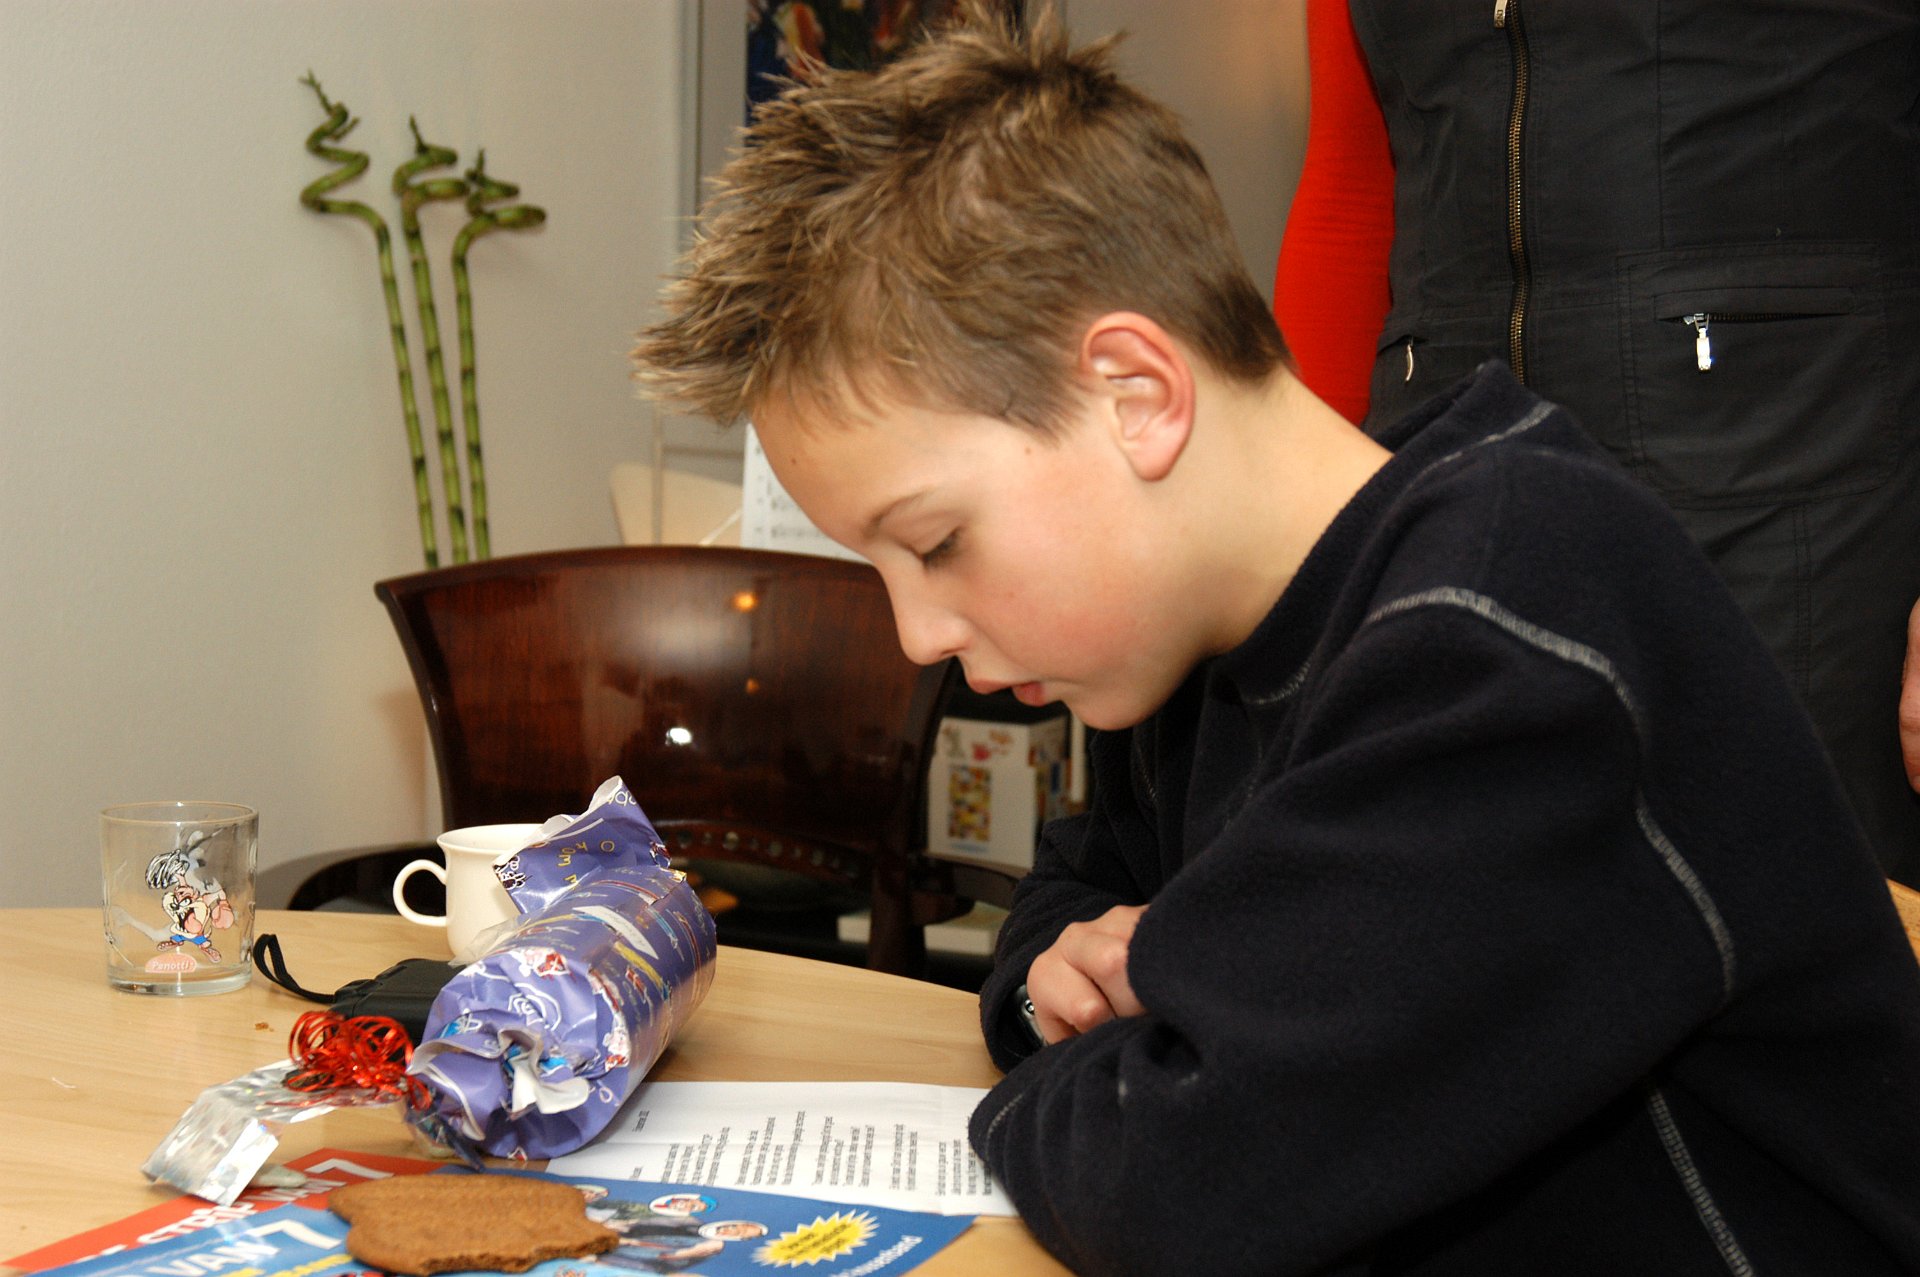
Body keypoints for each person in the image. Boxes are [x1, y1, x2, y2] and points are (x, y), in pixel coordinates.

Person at [630, 5, 1920, 1273]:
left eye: (937, 539)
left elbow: (1177, 1186)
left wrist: (1083, 1068)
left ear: (1136, 395)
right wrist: (1052, 993)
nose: (918, 633)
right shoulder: (1195, 644)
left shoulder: (1507, 630)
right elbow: (1070, 902)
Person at [1274, 0, 1920, 883]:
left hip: (1805, 529)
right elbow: (1354, 175)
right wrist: (1299, 565)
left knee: (1789, 926)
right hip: (1439, 515)